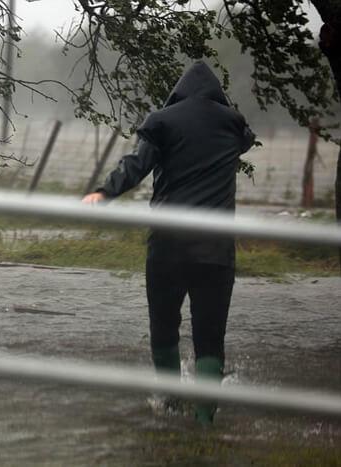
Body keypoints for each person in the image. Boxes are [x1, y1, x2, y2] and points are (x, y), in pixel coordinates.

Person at [82, 60, 255, 425]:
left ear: (177, 93)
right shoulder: (233, 124)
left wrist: (104, 193)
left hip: (167, 247)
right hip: (216, 251)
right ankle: (205, 420)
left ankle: (169, 405)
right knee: (210, 335)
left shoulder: (162, 121)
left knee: (164, 325)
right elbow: (245, 141)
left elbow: (136, 165)